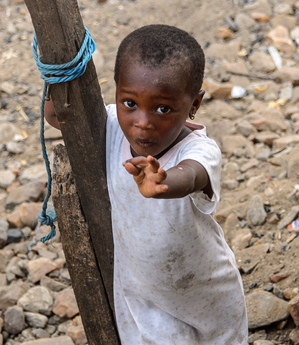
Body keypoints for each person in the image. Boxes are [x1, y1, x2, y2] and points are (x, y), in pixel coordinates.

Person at [45, 24, 248, 344]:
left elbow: (193, 175)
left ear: (194, 105)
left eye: (163, 108)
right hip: (146, 297)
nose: (142, 122)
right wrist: (54, 72)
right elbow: (59, 116)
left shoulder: (197, 150)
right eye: (129, 103)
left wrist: (165, 181)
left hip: (206, 289)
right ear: (116, 92)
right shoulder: (108, 123)